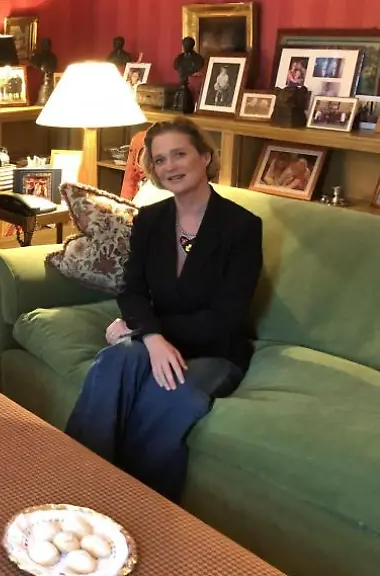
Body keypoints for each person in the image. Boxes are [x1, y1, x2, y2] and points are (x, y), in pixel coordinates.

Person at [64, 117, 263, 502]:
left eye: (179, 154)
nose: (170, 166)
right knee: (116, 360)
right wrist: (151, 337)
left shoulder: (241, 227)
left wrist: (149, 331)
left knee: (170, 392)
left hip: (216, 351)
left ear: (205, 157)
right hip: (158, 339)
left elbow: (226, 317)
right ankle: (78, 484)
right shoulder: (151, 220)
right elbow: (132, 289)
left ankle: (139, 503)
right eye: (160, 159)